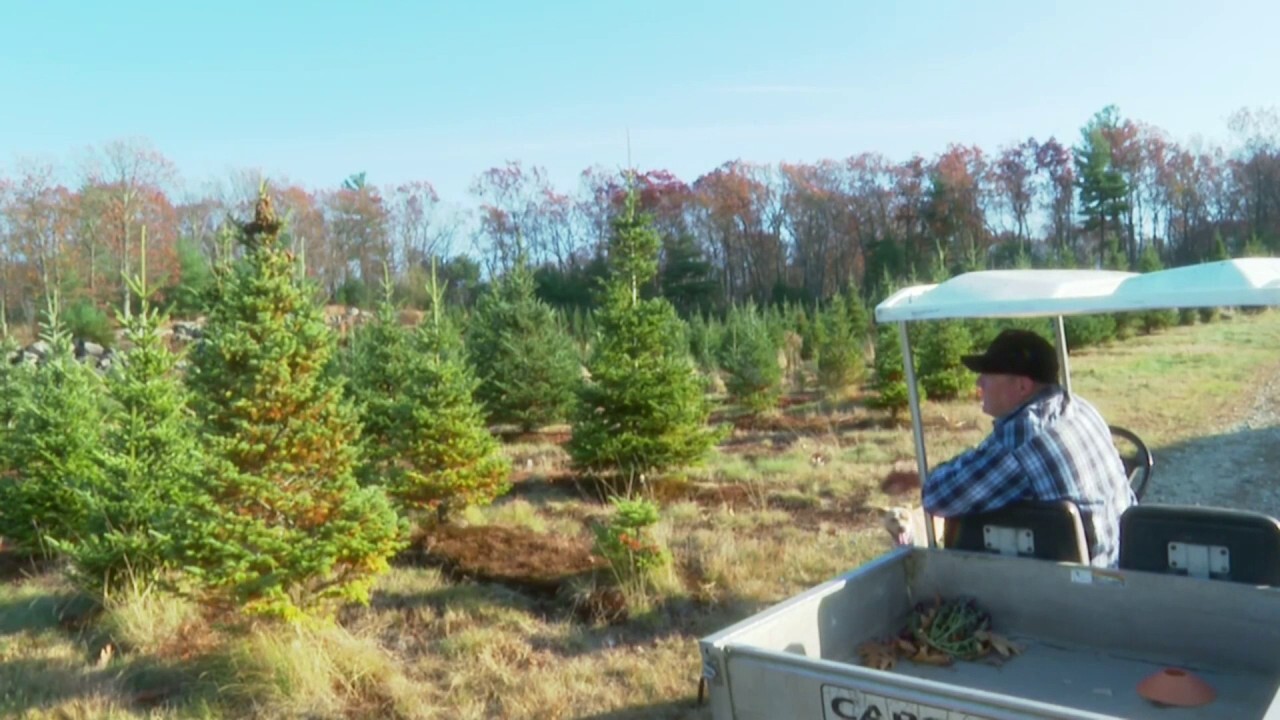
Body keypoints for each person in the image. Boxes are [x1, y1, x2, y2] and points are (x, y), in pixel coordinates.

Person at [900, 328, 1135, 568]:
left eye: (988, 374)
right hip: (1121, 558)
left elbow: (938, 497)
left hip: (1082, 585)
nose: (979, 382)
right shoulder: (1078, 407)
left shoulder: (1023, 440)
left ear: (1023, 387)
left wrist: (935, 473)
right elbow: (986, 458)